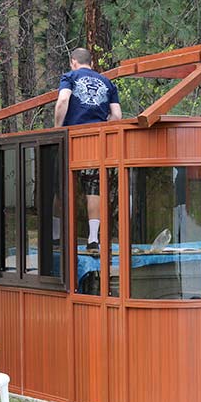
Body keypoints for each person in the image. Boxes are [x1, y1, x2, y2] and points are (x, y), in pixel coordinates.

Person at [54, 48, 122, 252]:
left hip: (71, 138)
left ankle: (57, 237)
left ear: (73, 61)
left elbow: (63, 100)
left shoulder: (70, 76)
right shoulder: (107, 82)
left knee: (61, 185)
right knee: (94, 188)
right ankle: (93, 239)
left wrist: (58, 128)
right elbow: (117, 115)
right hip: (96, 140)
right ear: (90, 62)